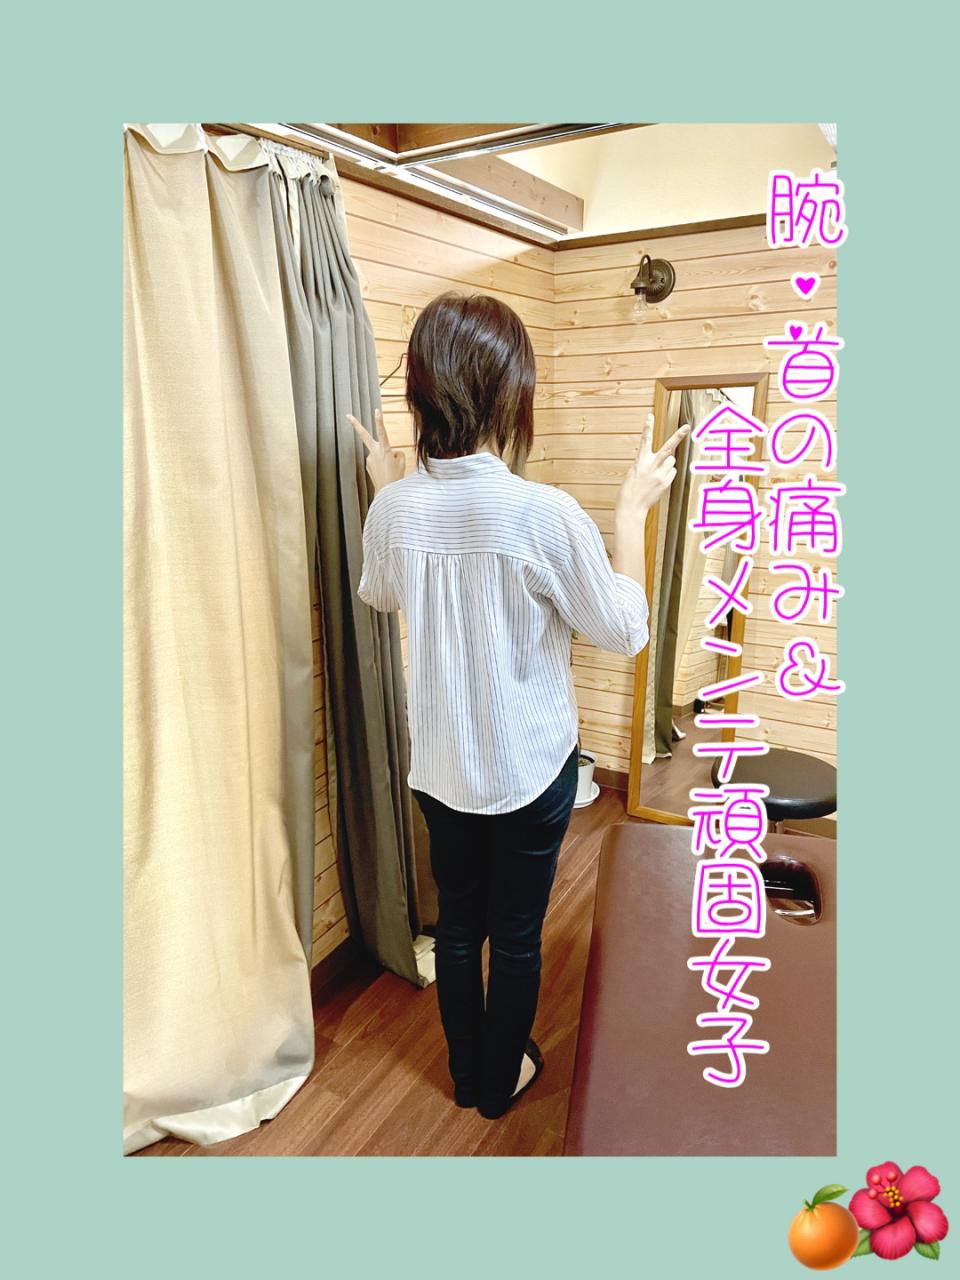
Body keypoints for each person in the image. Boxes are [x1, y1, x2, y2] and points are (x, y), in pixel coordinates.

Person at [349, 291, 688, 1120]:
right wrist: (630, 514)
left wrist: (386, 488)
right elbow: (626, 629)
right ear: (510, 393)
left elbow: (379, 593)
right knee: (518, 935)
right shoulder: (544, 513)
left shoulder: (396, 507)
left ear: (424, 392)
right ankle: (499, 1082)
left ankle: (469, 1075)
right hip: (530, 771)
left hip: (440, 771)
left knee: (458, 928)